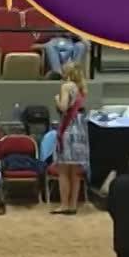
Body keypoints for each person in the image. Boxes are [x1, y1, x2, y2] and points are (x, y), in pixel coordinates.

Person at [50, 62, 90, 215]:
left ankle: (64, 204)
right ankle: (73, 205)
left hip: (68, 130)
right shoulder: (81, 88)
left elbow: (64, 107)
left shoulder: (66, 86)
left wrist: (56, 100)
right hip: (80, 129)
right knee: (75, 171)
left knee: (63, 170)